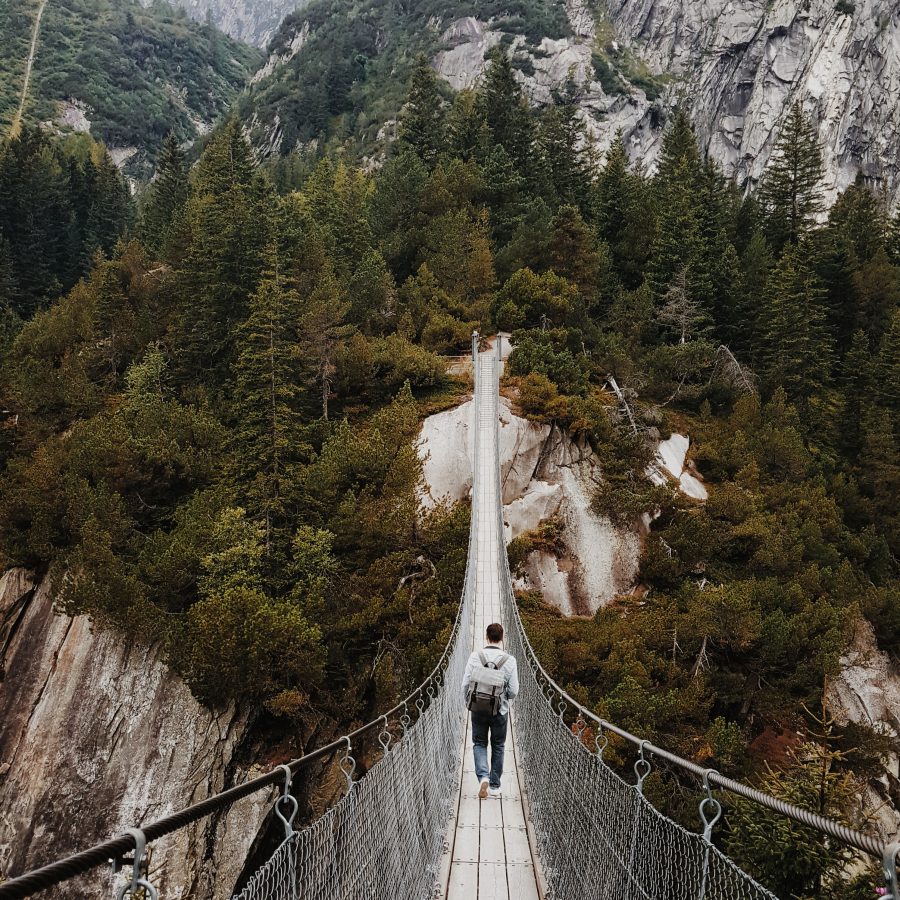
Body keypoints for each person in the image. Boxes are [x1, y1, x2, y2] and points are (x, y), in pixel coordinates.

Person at [461, 623, 519, 799]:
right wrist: (503, 698)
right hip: (499, 711)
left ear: (486, 636)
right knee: (498, 745)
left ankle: (483, 777)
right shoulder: (509, 661)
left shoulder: (474, 656)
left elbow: (465, 684)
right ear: (502, 638)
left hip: (478, 708)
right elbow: (514, 691)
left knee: (479, 743)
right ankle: (494, 786)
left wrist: (469, 702)